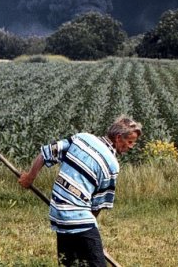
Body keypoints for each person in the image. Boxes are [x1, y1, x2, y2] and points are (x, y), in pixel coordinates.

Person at [18, 114, 142, 266]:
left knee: (69, 262)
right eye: (130, 142)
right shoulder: (112, 165)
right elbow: (97, 206)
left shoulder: (82, 138)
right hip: (77, 216)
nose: (131, 146)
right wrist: (91, 237)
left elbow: (47, 152)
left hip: (57, 213)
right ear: (118, 138)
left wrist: (29, 177)